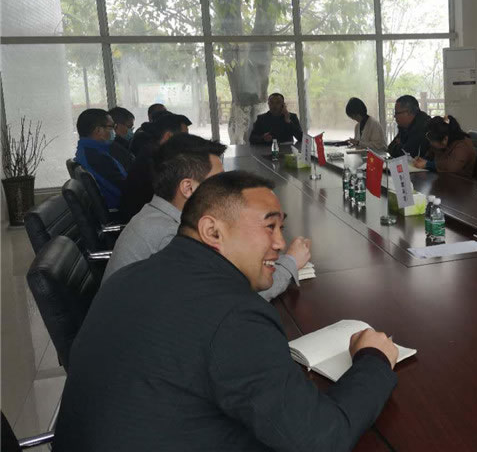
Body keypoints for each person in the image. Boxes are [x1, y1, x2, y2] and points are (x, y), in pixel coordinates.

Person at [54, 171, 399, 451]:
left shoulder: (130, 276)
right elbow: (322, 438)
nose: (280, 243)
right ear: (212, 231)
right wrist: (373, 359)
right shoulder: (234, 315)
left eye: (281, 228)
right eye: (269, 226)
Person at [102, 134, 227, 283]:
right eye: (218, 183)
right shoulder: (170, 236)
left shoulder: (155, 214)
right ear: (188, 188)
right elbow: (212, 285)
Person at [118, 112, 191, 221]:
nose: (188, 141)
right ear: (168, 136)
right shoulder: (155, 160)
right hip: (148, 219)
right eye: (185, 136)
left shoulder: (152, 151)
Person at [74, 109, 128, 209]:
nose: (114, 131)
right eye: (112, 127)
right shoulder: (97, 157)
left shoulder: (87, 150)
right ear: (98, 130)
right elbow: (126, 189)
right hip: (122, 207)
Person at [108, 106, 135, 170]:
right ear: (116, 126)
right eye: (129, 127)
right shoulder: (114, 150)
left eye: (132, 128)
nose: (131, 131)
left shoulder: (125, 144)